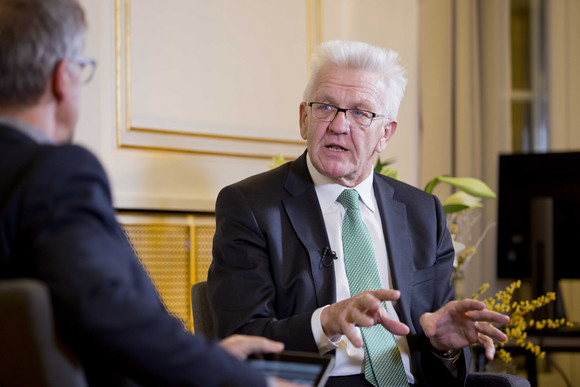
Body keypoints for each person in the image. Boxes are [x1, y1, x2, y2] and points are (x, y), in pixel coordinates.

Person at [0, 0, 300, 386]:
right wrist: (251, 382)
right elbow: (106, 314)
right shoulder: (55, 173)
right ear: (62, 78)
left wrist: (207, 358)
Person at [207, 40, 510, 386]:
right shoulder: (251, 207)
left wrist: (443, 345)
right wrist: (326, 322)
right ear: (304, 119)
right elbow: (240, 340)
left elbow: (442, 362)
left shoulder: (422, 212)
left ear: (385, 133)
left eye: (360, 113)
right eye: (325, 107)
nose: (338, 125)